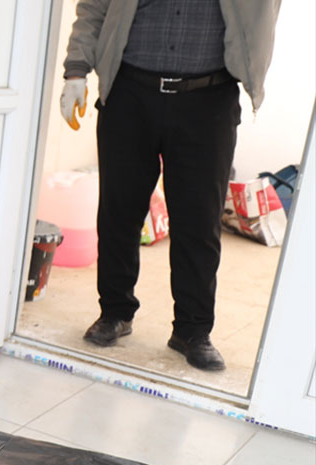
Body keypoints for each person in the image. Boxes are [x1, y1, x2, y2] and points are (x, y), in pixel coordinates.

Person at [60, 0, 280, 371]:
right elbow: (94, 6)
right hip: (129, 92)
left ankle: (192, 330)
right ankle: (115, 312)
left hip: (208, 98)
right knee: (119, 212)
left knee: (199, 222)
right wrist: (76, 71)